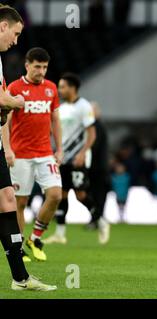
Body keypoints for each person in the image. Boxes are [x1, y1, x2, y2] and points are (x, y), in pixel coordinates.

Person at [0, 3, 56, 291]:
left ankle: (20, 277)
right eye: (16, 34)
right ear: (3, 27)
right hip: (16, 152)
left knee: (8, 201)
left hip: (11, 148)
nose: (16, 41)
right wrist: (16, 102)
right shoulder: (18, 84)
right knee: (12, 202)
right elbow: (4, 100)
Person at [2, 47, 62, 262]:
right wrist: (7, 149)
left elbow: (55, 119)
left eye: (45, 67)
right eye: (37, 66)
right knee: (20, 202)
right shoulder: (15, 87)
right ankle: (19, 248)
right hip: (21, 155)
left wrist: (60, 148)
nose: (41, 71)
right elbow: (5, 121)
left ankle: (35, 238)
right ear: (27, 65)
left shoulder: (51, 89)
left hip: (45, 152)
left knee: (55, 195)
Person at [43, 73, 98, 245]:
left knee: (81, 194)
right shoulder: (63, 107)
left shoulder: (84, 106)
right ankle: (60, 233)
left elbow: (92, 133)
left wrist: (82, 153)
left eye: (63, 86)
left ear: (73, 88)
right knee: (62, 194)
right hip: (63, 158)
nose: (60, 90)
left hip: (77, 158)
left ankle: (98, 217)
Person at [85, 101, 110, 244]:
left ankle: (97, 219)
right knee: (95, 195)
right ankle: (96, 219)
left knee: (97, 195)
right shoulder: (97, 126)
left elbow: (93, 147)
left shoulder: (96, 127)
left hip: (98, 168)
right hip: (98, 168)